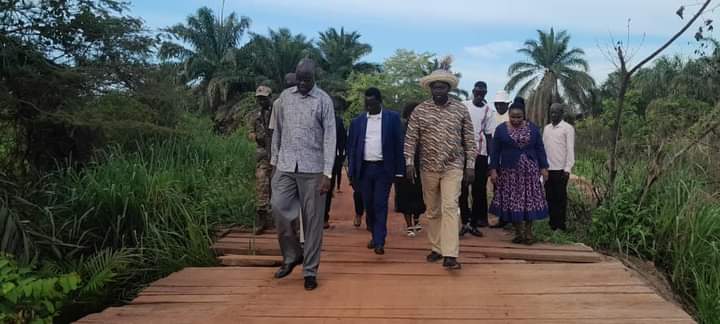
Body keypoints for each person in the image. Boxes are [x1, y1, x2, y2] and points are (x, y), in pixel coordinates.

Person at [270, 59, 335, 291]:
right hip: (286, 166)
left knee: (313, 222)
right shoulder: (285, 98)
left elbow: (330, 138)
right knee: (278, 207)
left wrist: (327, 174)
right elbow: (277, 130)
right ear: (295, 77)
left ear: (314, 78)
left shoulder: (323, 100)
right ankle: (291, 255)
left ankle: (310, 270)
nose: (303, 84)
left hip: (313, 170)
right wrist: (274, 162)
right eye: (300, 80)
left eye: (307, 80)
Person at [405, 64, 476, 270]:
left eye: (442, 87)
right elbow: (411, 139)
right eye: (435, 88)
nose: (438, 91)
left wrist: (470, 165)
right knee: (433, 210)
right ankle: (437, 248)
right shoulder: (420, 111)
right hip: (428, 166)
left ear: (448, 89)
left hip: (453, 165)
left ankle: (450, 254)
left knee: (450, 207)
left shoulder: (460, 109)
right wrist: (409, 162)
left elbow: (469, 139)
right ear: (430, 89)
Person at [347, 87, 404, 255]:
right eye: (367, 104)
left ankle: (380, 241)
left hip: (383, 169)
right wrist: (351, 171)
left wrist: (399, 171)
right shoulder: (357, 122)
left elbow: (398, 145)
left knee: (380, 204)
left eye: (372, 104)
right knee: (369, 205)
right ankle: (374, 233)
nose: (369, 107)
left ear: (380, 102)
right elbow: (352, 148)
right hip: (364, 169)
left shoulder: (392, 119)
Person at [488, 98, 549, 245]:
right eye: (513, 117)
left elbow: (540, 149)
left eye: (519, 117)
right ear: (508, 115)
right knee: (513, 203)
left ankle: (528, 233)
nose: (515, 120)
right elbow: (495, 152)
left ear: (524, 116)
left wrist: (544, 167)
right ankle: (518, 233)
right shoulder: (501, 129)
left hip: (530, 172)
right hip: (510, 173)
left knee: (529, 202)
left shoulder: (533, 129)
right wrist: (493, 170)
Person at [459, 81, 495, 237]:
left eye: (482, 92)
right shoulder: (463, 106)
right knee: (462, 189)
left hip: (480, 154)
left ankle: (474, 223)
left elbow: (488, 135)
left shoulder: (489, 110)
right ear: (473, 91)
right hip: (462, 153)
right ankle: (464, 222)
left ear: (486, 93)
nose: (479, 93)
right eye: (477, 91)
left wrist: (491, 161)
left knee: (478, 190)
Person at [395, 102, 426, 237]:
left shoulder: (423, 127)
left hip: (420, 166)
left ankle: (417, 219)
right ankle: (409, 225)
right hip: (402, 166)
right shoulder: (400, 127)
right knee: (404, 195)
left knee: (419, 194)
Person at [543, 103, 575, 231]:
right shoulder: (547, 129)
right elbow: (543, 148)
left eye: (556, 112)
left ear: (562, 113)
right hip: (548, 170)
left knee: (560, 198)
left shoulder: (567, 128)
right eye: (551, 112)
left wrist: (568, 168)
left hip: (561, 170)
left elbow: (570, 149)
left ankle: (561, 226)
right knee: (549, 197)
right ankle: (552, 224)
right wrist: (543, 167)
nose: (553, 115)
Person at [250, 85, 274, 235]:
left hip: (278, 153)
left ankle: (286, 222)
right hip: (263, 153)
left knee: (280, 187)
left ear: (270, 97)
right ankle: (261, 219)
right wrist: (253, 136)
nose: (261, 101)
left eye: (264, 98)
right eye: (259, 98)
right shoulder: (255, 115)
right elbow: (250, 130)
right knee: (261, 184)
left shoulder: (277, 112)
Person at [489, 91, 512, 229]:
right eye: (497, 104)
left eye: (501, 104)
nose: (499, 106)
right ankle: (502, 218)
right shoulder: (492, 117)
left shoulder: (511, 117)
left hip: (509, 159)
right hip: (496, 158)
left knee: (510, 189)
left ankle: (511, 217)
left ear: (507, 104)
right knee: (498, 190)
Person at [324, 98, 347, 229]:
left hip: (332, 159)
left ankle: (324, 217)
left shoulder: (338, 122)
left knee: (327, 188)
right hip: (313, 160)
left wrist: (341, 157)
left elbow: (343, 140)